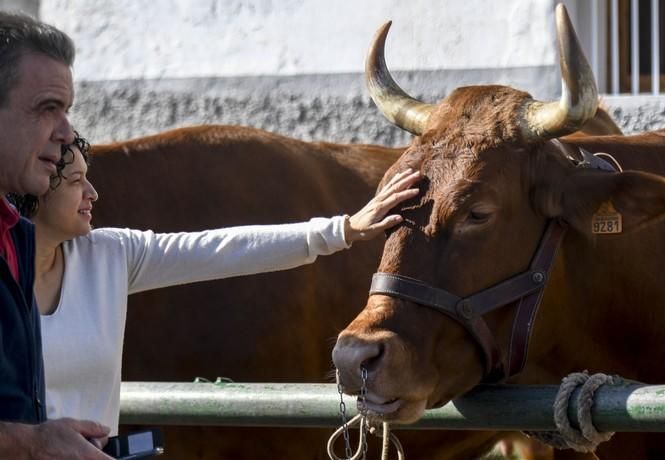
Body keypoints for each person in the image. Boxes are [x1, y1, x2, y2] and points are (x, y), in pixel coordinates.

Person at [8, 131, 420, 437]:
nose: (94, 193)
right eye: (77, 180)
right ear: (39, 187)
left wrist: (343, 229)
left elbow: (222, 248)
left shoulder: (111, 254)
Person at [0, 11, 116, 459]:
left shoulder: (16, 237)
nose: (67, 132)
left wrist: (48, 438)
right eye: (48, 108)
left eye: (67, 110)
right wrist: (31, 444)